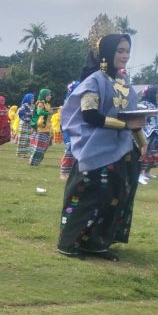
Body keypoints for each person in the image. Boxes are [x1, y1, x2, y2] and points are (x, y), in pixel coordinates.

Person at [58, 34, 147, 260]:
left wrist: (142, 142)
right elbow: (89, 115)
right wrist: (122, 124)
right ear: (107, 52)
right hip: (95, 148)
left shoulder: (124, 84)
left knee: (115, 195)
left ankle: (97, 243)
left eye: (127, 51)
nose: (125, 56)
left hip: (122, 150)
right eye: (120, 51)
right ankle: (70, 242)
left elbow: (133, 117)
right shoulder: (94, 81)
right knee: (89, 195)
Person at [138, 85, 158, 184]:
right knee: (145, 153)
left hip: (157, 132)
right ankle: (140, 174)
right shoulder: (143, 104)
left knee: (155, 153)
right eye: (157, 93)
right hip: (147, 132)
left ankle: (147, 172)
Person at [29, 89, 54, 166]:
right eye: (48, 95)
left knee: (44, 146)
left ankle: (36, 162)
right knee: (38, 146)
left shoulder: (48, 104)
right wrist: (48, 112)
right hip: (40, 128)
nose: (50, 96)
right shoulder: (41, 103)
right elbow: (39, 112)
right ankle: (32, 162)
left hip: (46, 127)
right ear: (43, 95)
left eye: (50, 95)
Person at [15, 93, 35, 158]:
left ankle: (25, 153)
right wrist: (27, 116)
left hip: (30, 124)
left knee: (28, 139)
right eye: (32, 98)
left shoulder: (33, 106)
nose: (33, 100)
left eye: (33, 98)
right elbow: (20, 113)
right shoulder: (24, 105)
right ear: (28, 99)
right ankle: (20, 153)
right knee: (22, 138)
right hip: (24, 123)